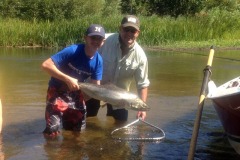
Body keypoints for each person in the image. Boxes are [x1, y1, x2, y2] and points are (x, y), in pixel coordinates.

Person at [41, 24, 105, 137]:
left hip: (76, 92)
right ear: (85, 38)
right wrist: (67, 79)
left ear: (103, 41)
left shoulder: (98, 61)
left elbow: (96, 86)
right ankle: (50, 152)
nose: (96, 41)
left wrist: (108, 97)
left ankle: (73, 153)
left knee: (78, 131)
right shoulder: (72, 50)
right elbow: (46, 65)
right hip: (57, 90)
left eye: (99, 38)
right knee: (52, 130)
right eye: (93, 38)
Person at [86, 15, 150, 121]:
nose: (129, 33)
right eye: (126, 29)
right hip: (95, 88)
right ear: (120, 29)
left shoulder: (141, 57)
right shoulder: (103, 41)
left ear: (138, 33)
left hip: (120, 98)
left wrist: (141, 108)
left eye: (133, 31)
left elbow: (142, 84)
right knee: (86, 120)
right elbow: (87, 56)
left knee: (120, 126)